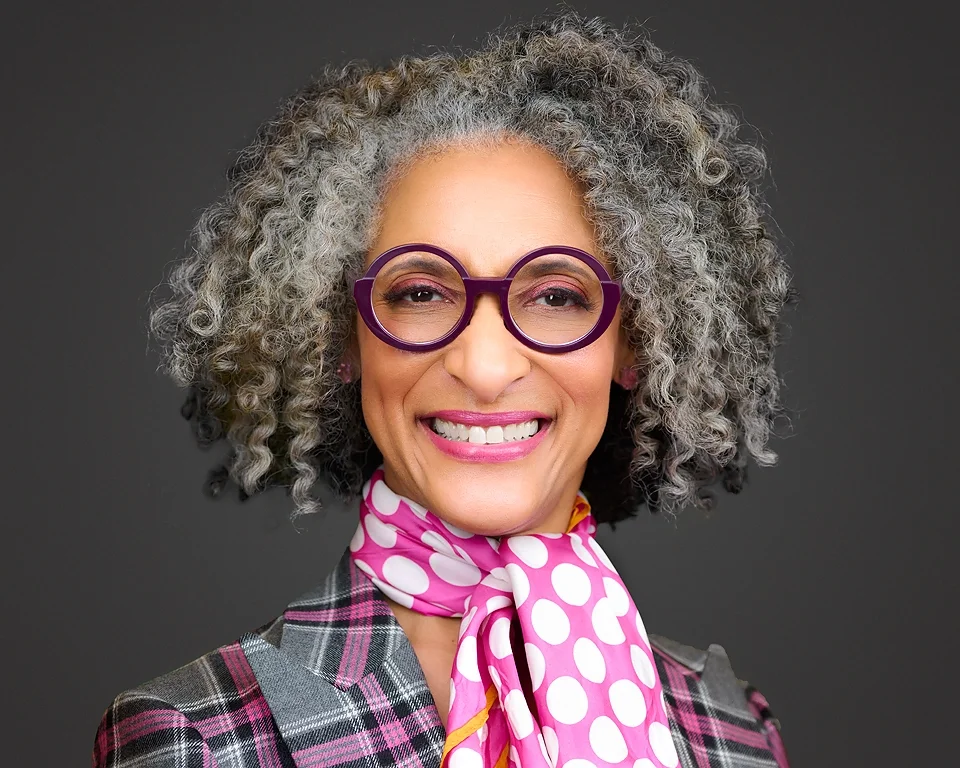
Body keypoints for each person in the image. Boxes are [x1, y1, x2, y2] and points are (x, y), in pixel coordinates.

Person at [92, 10, 795, 768]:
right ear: (340, 339)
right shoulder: (197, 738)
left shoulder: (734, 728)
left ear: (636, 344)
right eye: (420, 293)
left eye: (557, 296)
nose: (486, 368)